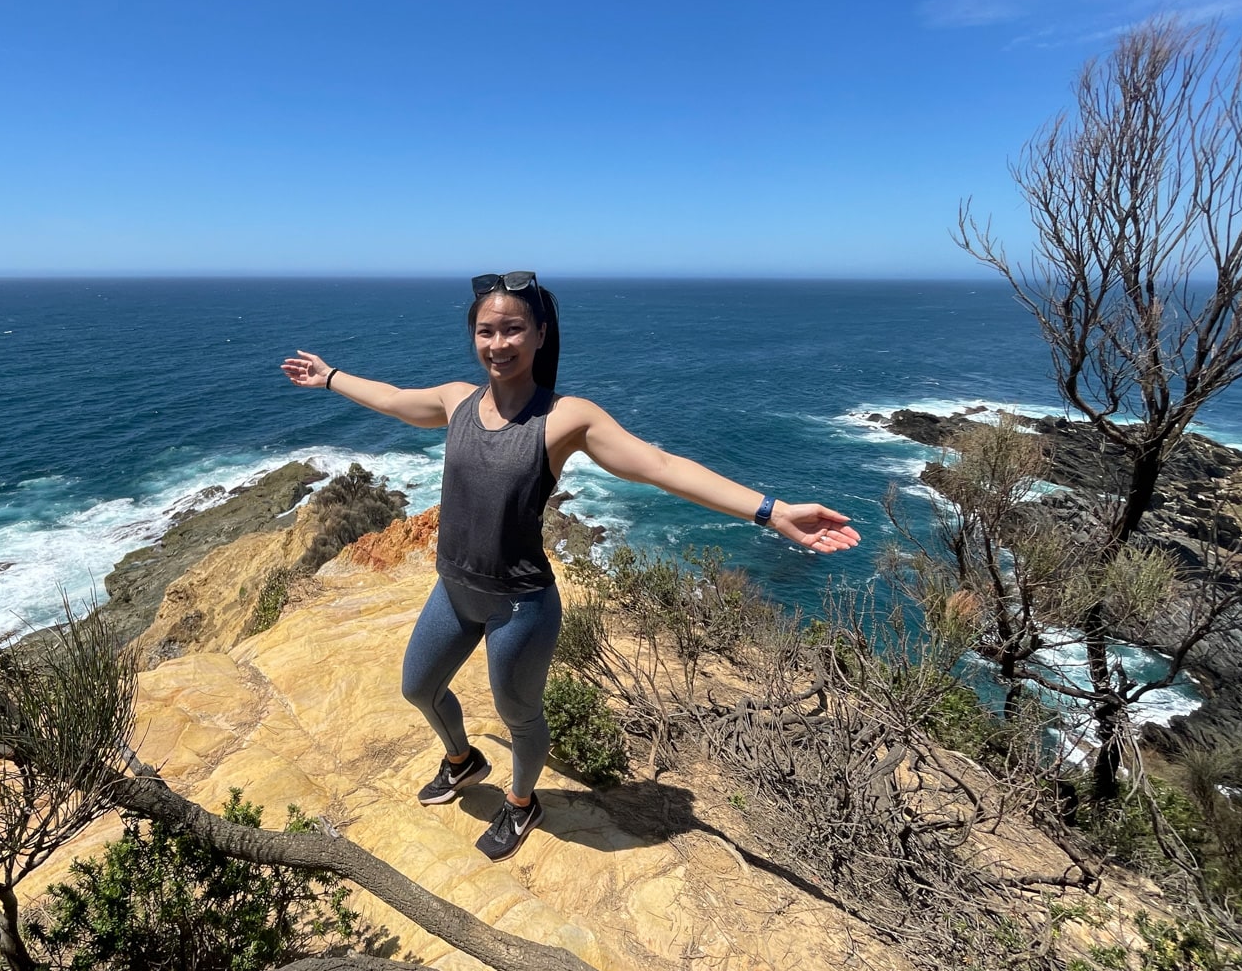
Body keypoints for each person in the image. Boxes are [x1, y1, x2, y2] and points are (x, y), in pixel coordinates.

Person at [281, 271, 859, 862]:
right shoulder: (456, 400)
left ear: (540, 334)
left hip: (519, 605)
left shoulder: (565, 418)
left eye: (512, 329)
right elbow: (394, 399)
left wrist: (772, 510)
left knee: (518, 715)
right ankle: (463, 761)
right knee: (418, 687)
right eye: (486, 331)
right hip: (453, 590)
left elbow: (659, 465)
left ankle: (522, 800)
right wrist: (330, 378)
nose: (498, 343)